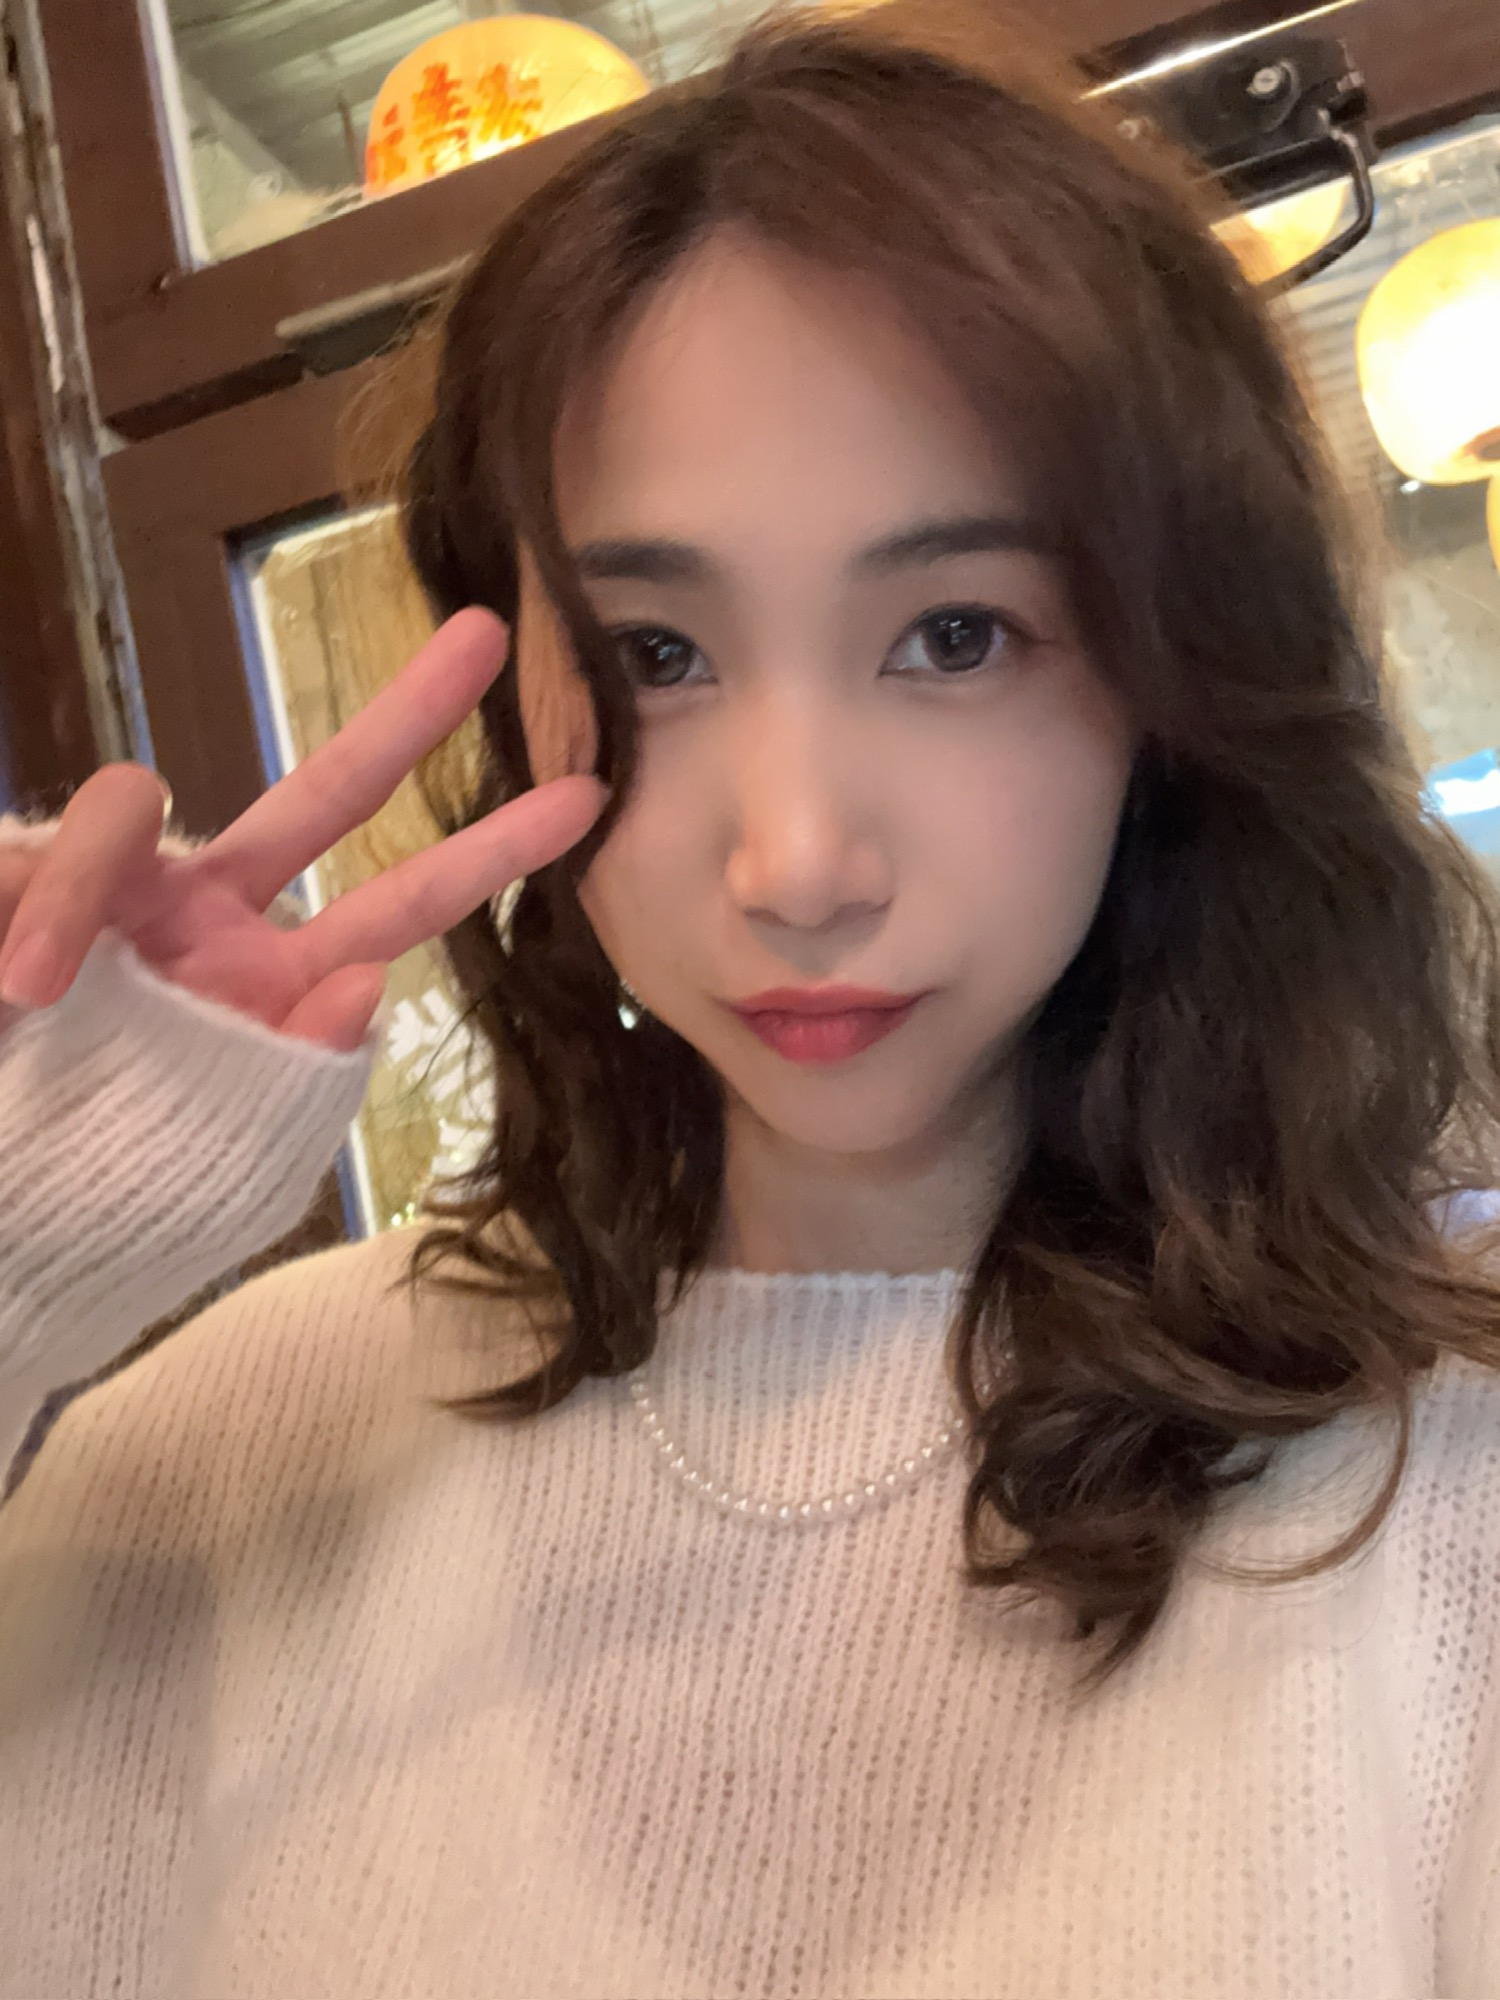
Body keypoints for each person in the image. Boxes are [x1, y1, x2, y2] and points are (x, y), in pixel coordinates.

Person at [1, 6, 1498, 1995]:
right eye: (657, 652)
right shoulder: (228, 1454)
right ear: (508, 683)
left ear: (1177, 679)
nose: (796, 861)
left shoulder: (1446, 1474)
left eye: (956, 634)